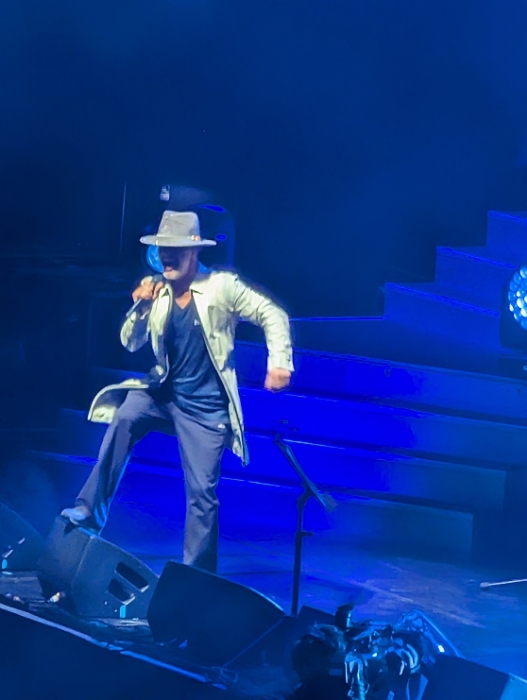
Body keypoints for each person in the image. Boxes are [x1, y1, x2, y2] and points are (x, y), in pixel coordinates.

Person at [61, 210, 293, 573]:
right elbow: (130, 342)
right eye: (163, 250)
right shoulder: (158, 291)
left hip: (206, 410)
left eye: (175, 250)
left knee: (202, 494)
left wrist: (279, 361)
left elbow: (272, 313)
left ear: (194, 252)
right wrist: (141, 304)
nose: (167, 257)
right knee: (126, 414)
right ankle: (88, 511)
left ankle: (197, 575)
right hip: (162, 395)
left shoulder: (221, 286)